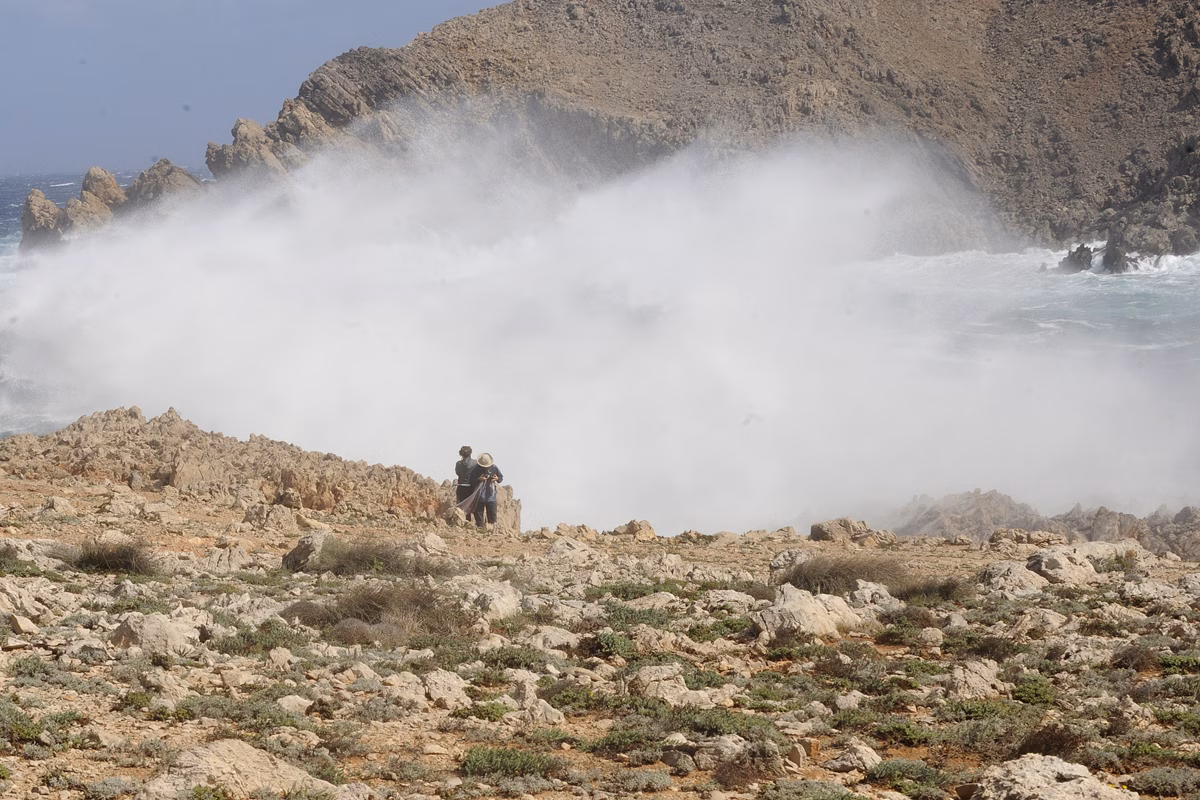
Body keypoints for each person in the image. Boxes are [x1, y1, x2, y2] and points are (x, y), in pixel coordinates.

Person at [469, 453, 503, 531]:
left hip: (491, 496)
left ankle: (492, 531)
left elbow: (500, 478)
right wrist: (479, 479)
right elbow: (471, 480)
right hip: (480, 495)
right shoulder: (476, 469)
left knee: (492, 516)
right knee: (479, 514)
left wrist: (496, 478)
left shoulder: (494, 468)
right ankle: (480, 529)